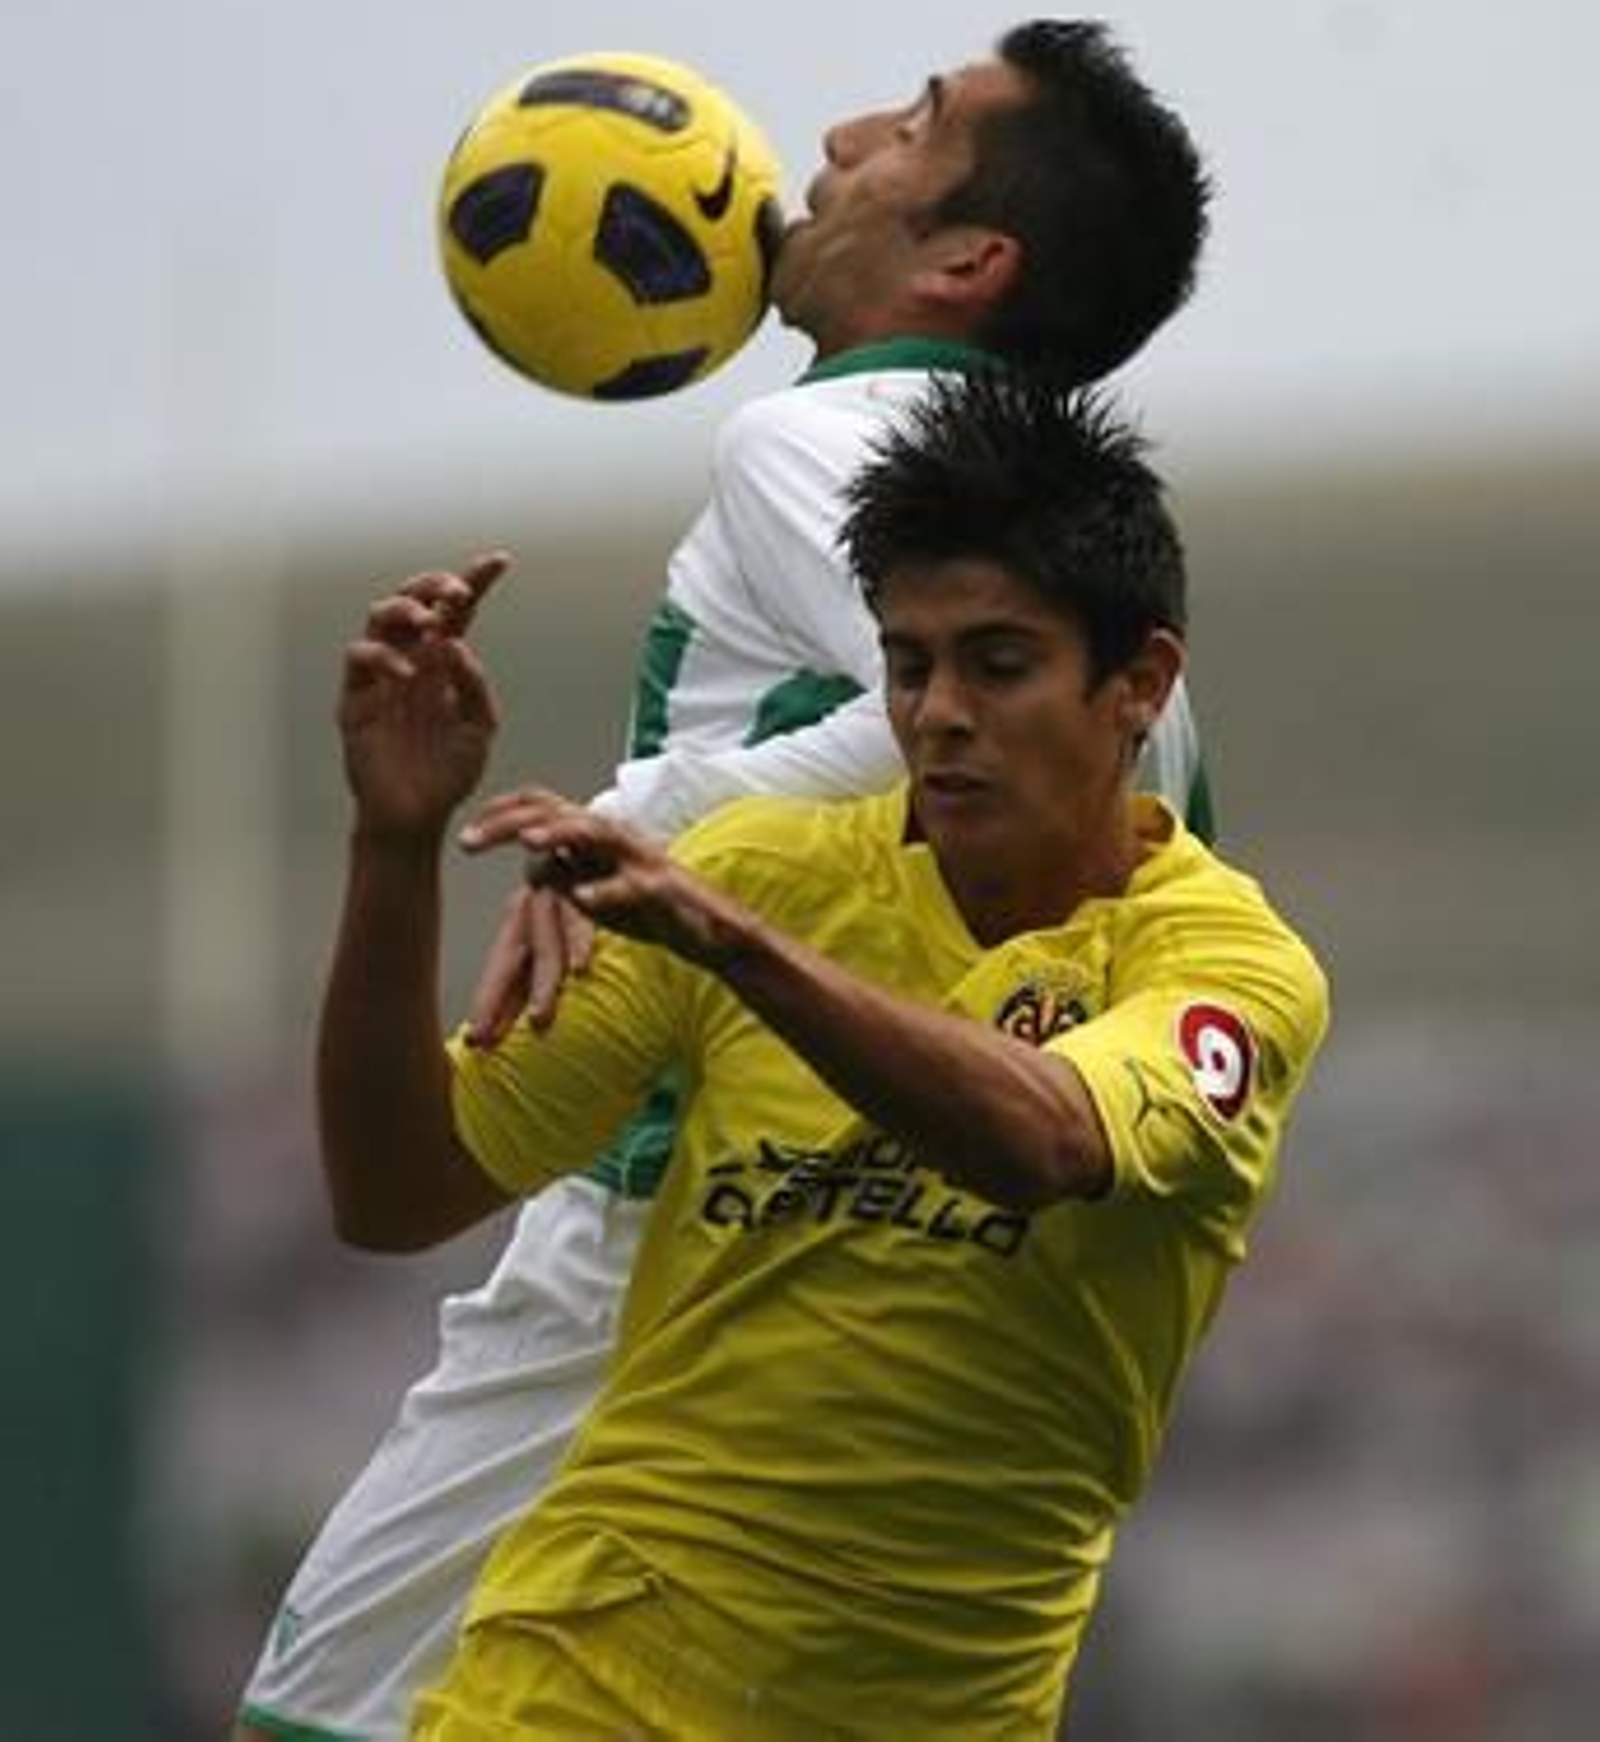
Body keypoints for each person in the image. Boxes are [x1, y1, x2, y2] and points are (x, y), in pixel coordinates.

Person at [237, 21, 1214, 1740]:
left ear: (968, 261)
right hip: (901, 1244)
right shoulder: (1070, 553)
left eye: (913, 125)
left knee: (324, 1716)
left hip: (699, 1222)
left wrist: (643, 832)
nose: (832, 139)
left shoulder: (823, 441)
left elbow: (966, 741)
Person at [316, 370, 1329, 1739]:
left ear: (1140, 682)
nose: (940, 712)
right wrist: (392, 847)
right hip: (572, 1685)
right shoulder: (753, 873)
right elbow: (395, 1189)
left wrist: (736, 946)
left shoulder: (1226, 967)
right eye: (908, 666)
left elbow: (1042, 1142)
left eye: (999, 663)